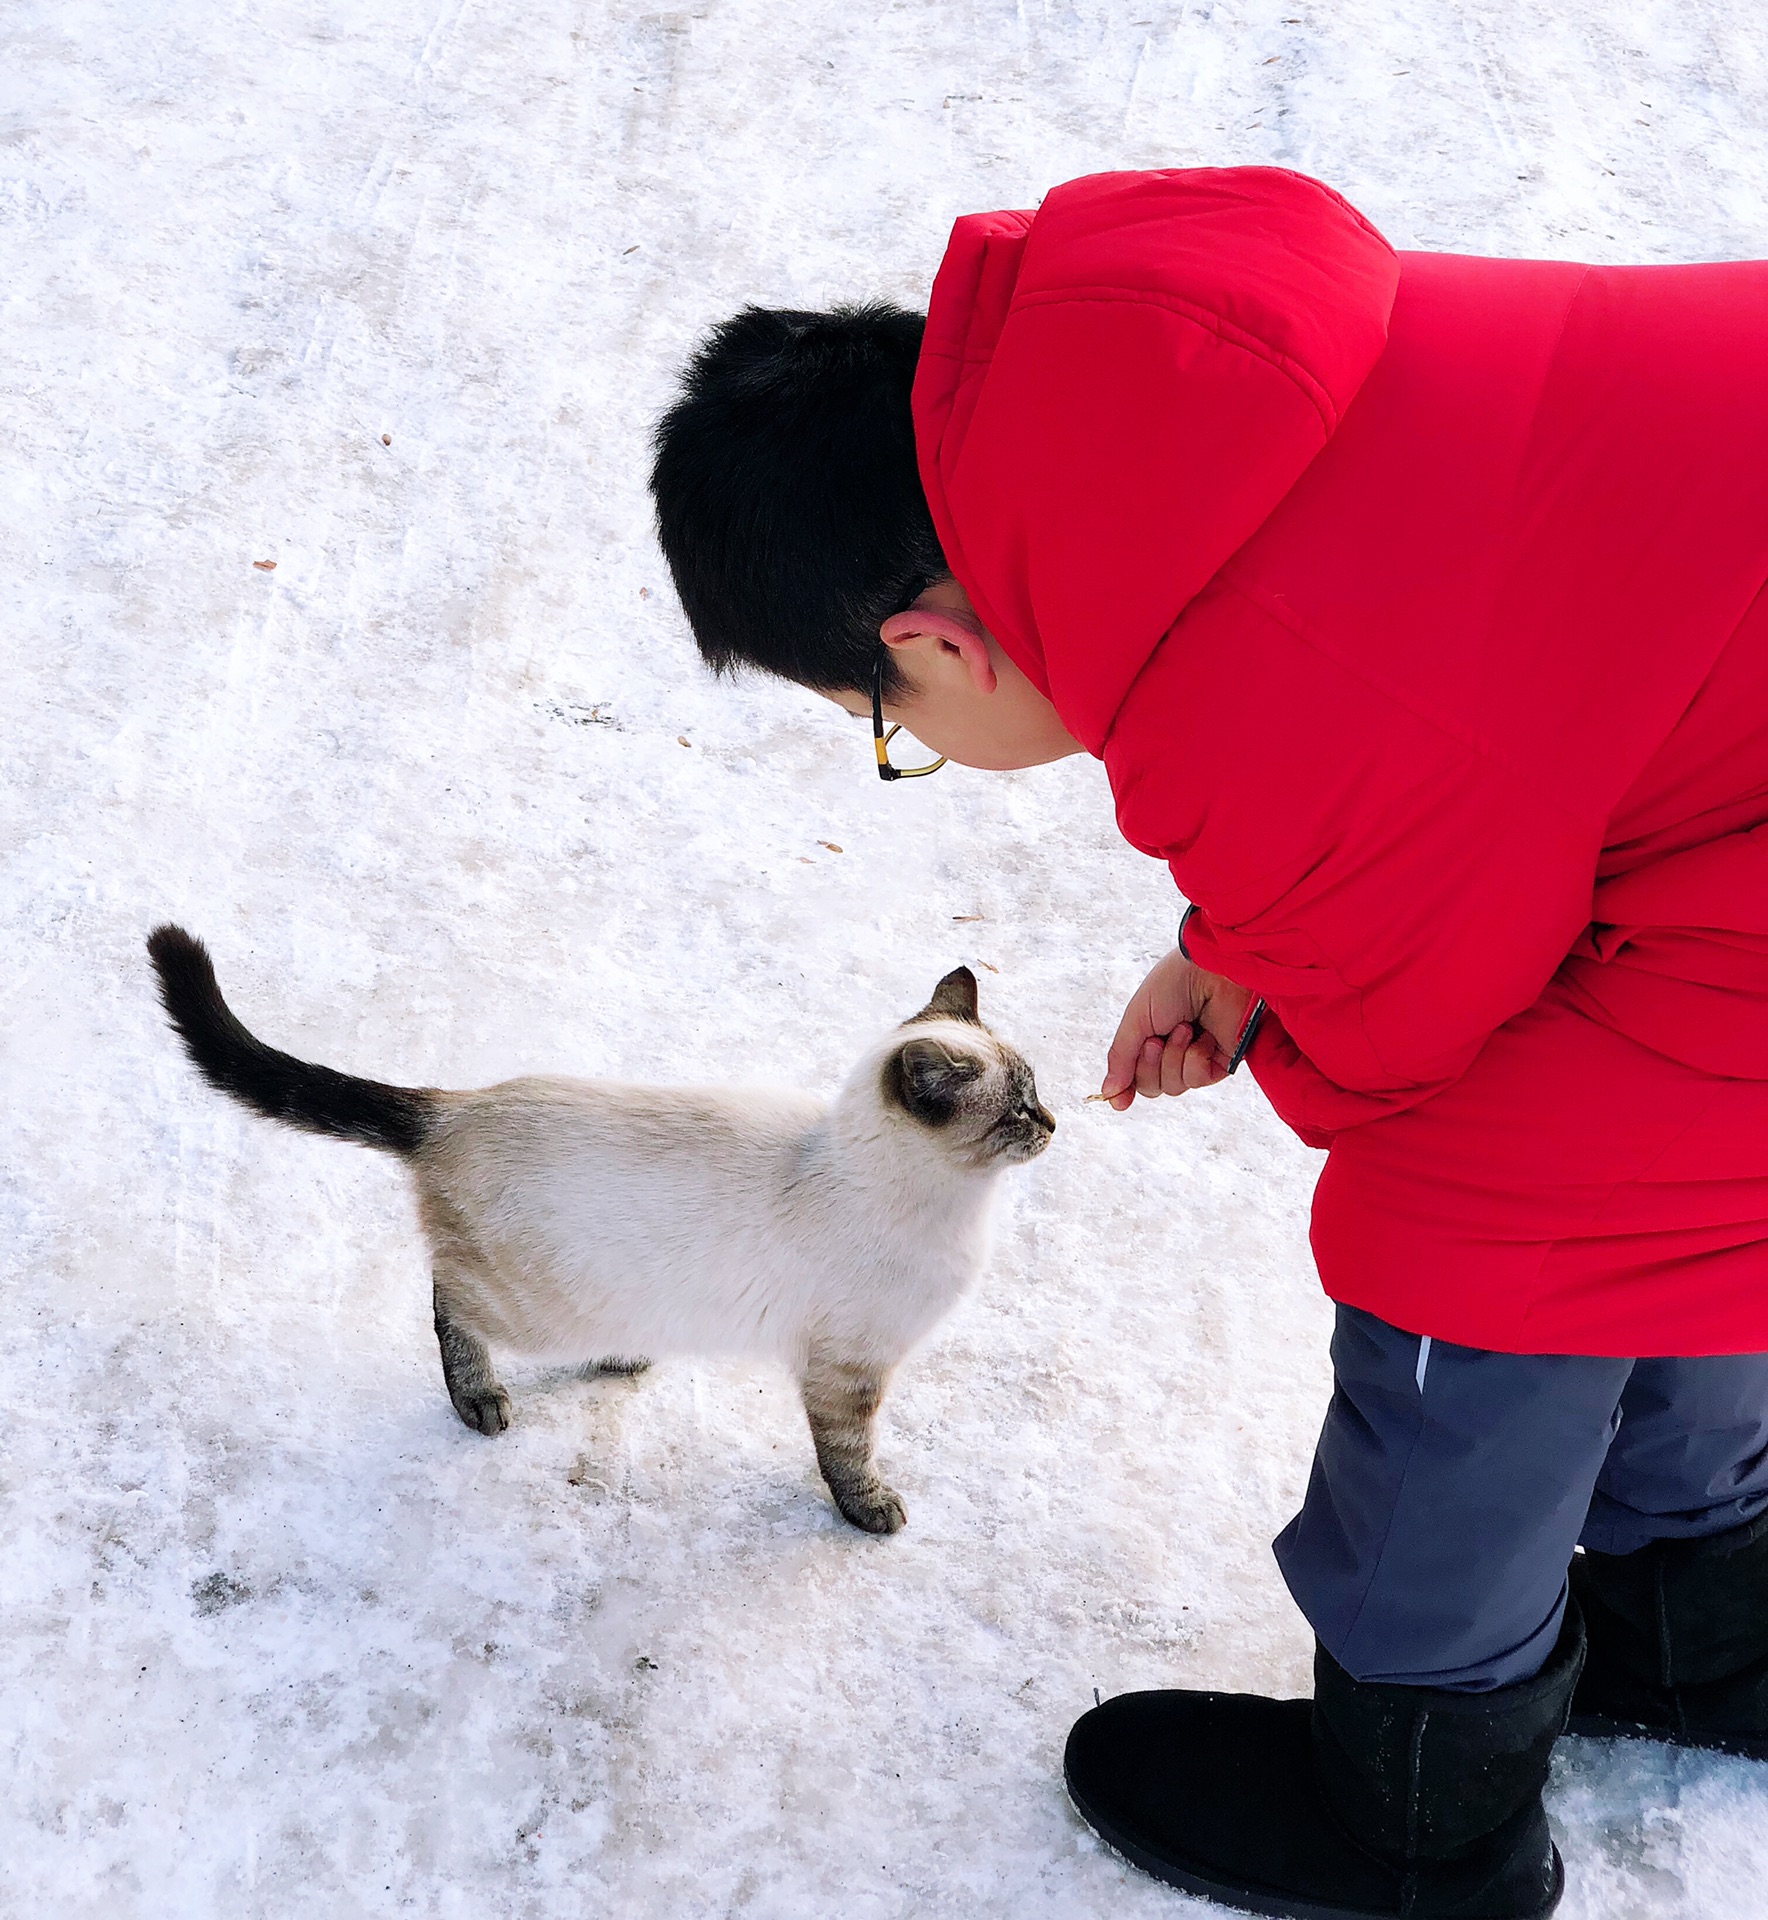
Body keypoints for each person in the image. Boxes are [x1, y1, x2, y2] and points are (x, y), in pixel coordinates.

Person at [647, 166, 1768, 1920]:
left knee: (1479, 1211)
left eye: (898, 729)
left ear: (926, 643)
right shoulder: (1212, 408)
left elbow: (1407, 1027)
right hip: (1725, 806)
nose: (921, 736)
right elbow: (1480, 710)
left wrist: (1291, 1024)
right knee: (1655, 1168)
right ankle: (1704, 1625)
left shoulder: (1244, 676)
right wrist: (1241, 945)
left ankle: (1416, 1798)